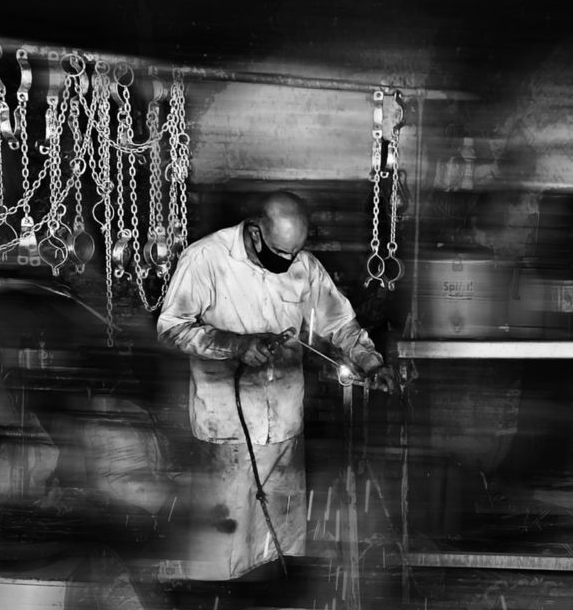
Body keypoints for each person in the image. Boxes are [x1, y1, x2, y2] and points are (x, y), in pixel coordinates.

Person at [157, 190, 396, 587]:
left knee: (282, 546)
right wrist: (235, 345)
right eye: (279, 254)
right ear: (254, 233)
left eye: (294, 253)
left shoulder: (303, 266)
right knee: (225, 548)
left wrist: (372, 363)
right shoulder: (206, 259)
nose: (287, 263)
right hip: (228, 433)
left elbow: (341, 323)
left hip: (285, 428)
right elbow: (171, 328)